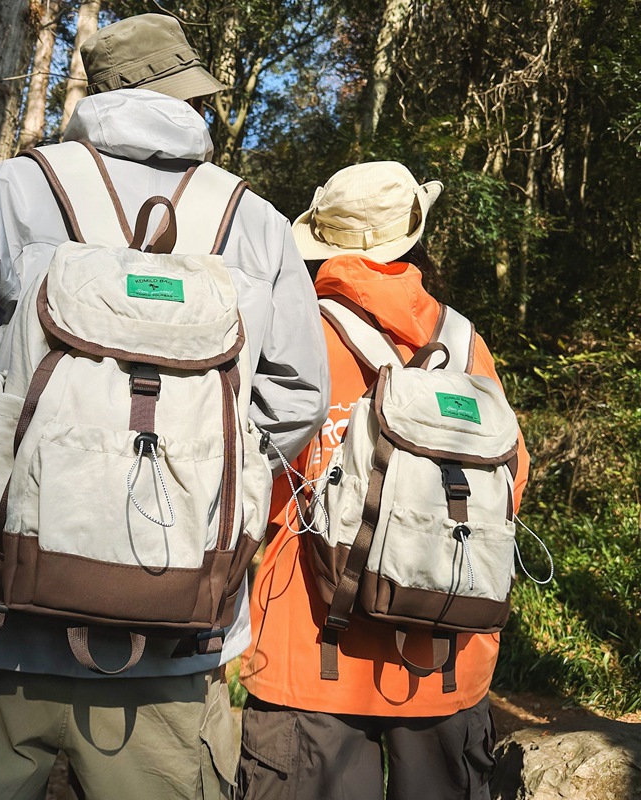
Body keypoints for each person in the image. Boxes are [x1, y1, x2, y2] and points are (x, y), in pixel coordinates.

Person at [0, 13, 329, 800]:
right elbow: (297, 401)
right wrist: (199, 476)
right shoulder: (255, 221)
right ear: (190, 100)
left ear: (101, 95)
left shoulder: (19, 187)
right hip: (178, 630)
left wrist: (9, 459)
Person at [237, 161, 529, 800]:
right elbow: (513, 477)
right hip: (447, 653)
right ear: (413, 238)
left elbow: (254, 480)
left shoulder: (295, 334)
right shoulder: (464, 343)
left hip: (311, 648)